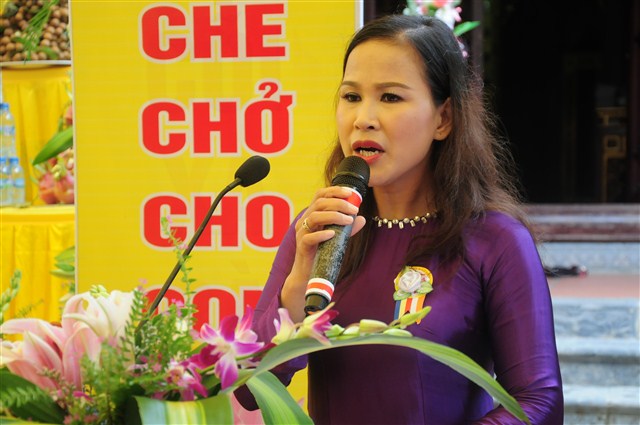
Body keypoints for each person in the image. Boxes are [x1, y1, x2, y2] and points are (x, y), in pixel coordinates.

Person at [245, 14, 564, 424]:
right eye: (351, 96)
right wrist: (296, 286)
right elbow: (252, 389)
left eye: (390, 97)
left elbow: (538, 401)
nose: (363, 118)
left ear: (443, 119)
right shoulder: (319, 227)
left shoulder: (495, 240)